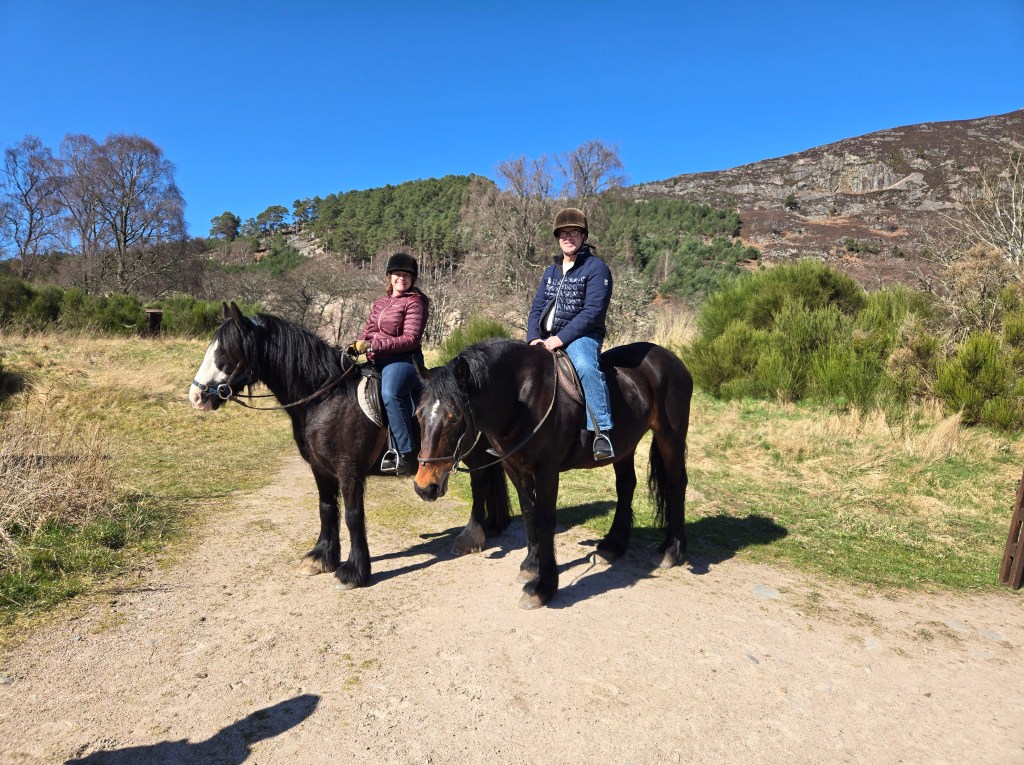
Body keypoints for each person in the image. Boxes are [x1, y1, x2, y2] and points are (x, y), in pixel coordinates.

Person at [526, 207, 615, 460]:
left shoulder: (596, 269)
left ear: (583, 236)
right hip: (545, 337)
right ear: (557, 238)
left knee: (586, 367)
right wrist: (534, 337)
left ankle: (602, 432)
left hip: (582, 337)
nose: (568, 237)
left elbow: (593, 312)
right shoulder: (551, 271)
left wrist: (560, 338)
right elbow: (537, 307)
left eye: (574, 232)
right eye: (563, 233)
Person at [351, 252, 428, 475]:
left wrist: (373, 345)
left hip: (404, 361)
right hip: (377, 359)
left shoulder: (416, 302)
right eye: (397, 274)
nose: (401, 278)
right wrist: (356, 344)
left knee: (390, 393)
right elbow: (368, 331)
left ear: (412, 279)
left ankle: (406, 452)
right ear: (389, 276)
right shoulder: (381, 302)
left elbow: (410, 339)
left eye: (406, 275)